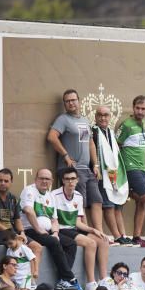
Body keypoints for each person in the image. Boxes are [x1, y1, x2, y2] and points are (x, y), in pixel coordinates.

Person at [47, 89, 102, 231]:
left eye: (73, 100)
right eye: (67, 101)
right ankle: (86, 232)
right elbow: (52, 137)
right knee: (80, 202)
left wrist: (95, 165)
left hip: (87, 169)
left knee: (97, 200)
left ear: (79, 101)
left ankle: (99, 233)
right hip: (72, 170)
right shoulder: (63, 119)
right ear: (65, 104)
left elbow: (90, 143)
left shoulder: (84, 120)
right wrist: (65, 155)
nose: (71, 103)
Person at [20, 168, 81, 290]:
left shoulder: (50, 196)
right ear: (35, 179)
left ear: (51, 181)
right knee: (53, 242)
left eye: (47, 179)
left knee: (71, 243)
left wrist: (55, 233)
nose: (44, 181)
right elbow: (28, 210)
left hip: (47, 232)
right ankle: (70, 278)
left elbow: (54, 220)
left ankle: (62, 281)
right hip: (30, 230)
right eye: (41, 178)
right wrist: (38, 229)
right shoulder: (29, 190)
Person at [52, 167, 110, 290]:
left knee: (103, 240)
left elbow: (77, 221)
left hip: (73, 229)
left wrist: (93, 230)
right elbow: (54, 220)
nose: (70, 182)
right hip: (61, 230)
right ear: (63, 181)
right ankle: (90, 282)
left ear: (77, 180)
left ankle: (104, 278)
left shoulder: (78, 196)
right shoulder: (54, 195)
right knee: (90, 243)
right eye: (67, 179)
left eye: (73, 179)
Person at [115, 95, 145, 247]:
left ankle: (136, 237)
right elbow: (116, 144)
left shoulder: (143, 123)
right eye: (137, 108)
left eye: (143, 108)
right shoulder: (126, 124)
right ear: (133, 108)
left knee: (142, 204)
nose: (140, 111)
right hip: (130, 167)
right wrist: (119, 167)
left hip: (142, 167)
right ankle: (127, 193)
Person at [91, 105, 129, 244]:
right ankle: (116, 236)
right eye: (100, 115)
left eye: (106, 115)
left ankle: (123, 235)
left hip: (114, 174)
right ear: (95, 117)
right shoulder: (93, 132)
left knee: (117, 206)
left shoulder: (111, 133)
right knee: (108, 205)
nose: (103, 118)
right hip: (100, 174)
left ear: (110, 117)